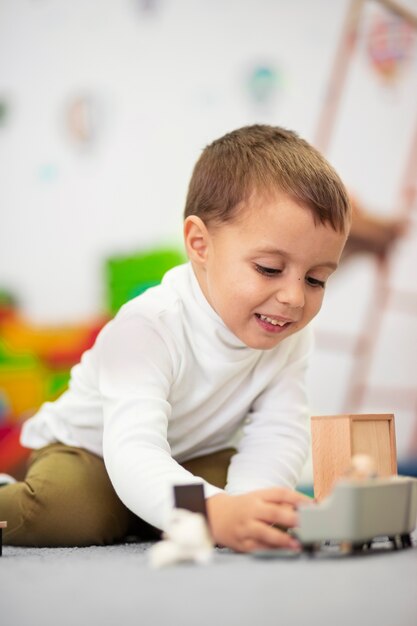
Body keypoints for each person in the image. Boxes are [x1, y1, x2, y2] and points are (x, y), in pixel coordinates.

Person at [0, 125, 351, 552]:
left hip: (190, 456)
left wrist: (245, 507)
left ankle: (157, 511)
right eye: (269, 269)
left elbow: (278, 430)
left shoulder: (291, 335)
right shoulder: (147, 327)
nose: (294, 298)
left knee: (251, 489)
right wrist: (213, 514)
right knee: (67, 513)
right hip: (94, 454)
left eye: (316, 280)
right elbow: (133, 452)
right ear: (200, 244)